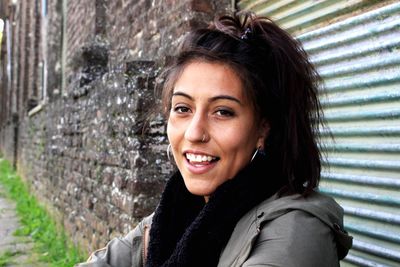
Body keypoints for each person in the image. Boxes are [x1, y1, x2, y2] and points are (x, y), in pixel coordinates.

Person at [76, 13, 352, 267]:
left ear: (262, 129)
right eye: (183, 108)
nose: (195, 133)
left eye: (222, 112)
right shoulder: (177, 214)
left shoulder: (297, 231)